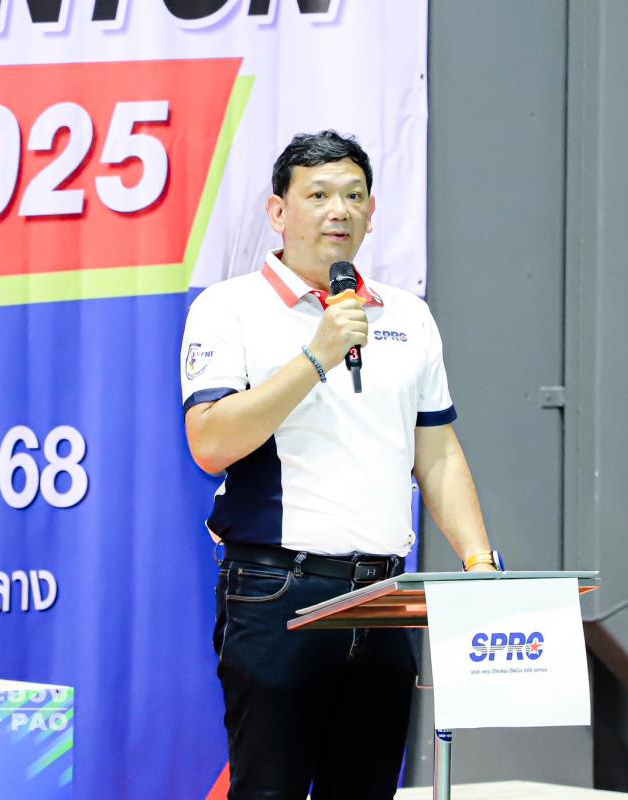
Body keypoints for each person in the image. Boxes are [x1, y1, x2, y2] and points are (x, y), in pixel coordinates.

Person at [180, 130, 499, 799]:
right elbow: (209, 442)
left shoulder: (408, 316)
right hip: (278, 589)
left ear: (372, 212)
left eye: (354, 196)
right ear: (278, 211)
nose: (339, 211)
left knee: (367, 788)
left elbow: (437, 451)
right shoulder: (229, 307)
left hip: (383, 597)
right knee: (268, 789)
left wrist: (479, 563)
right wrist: (316, 356)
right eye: (319, 195)